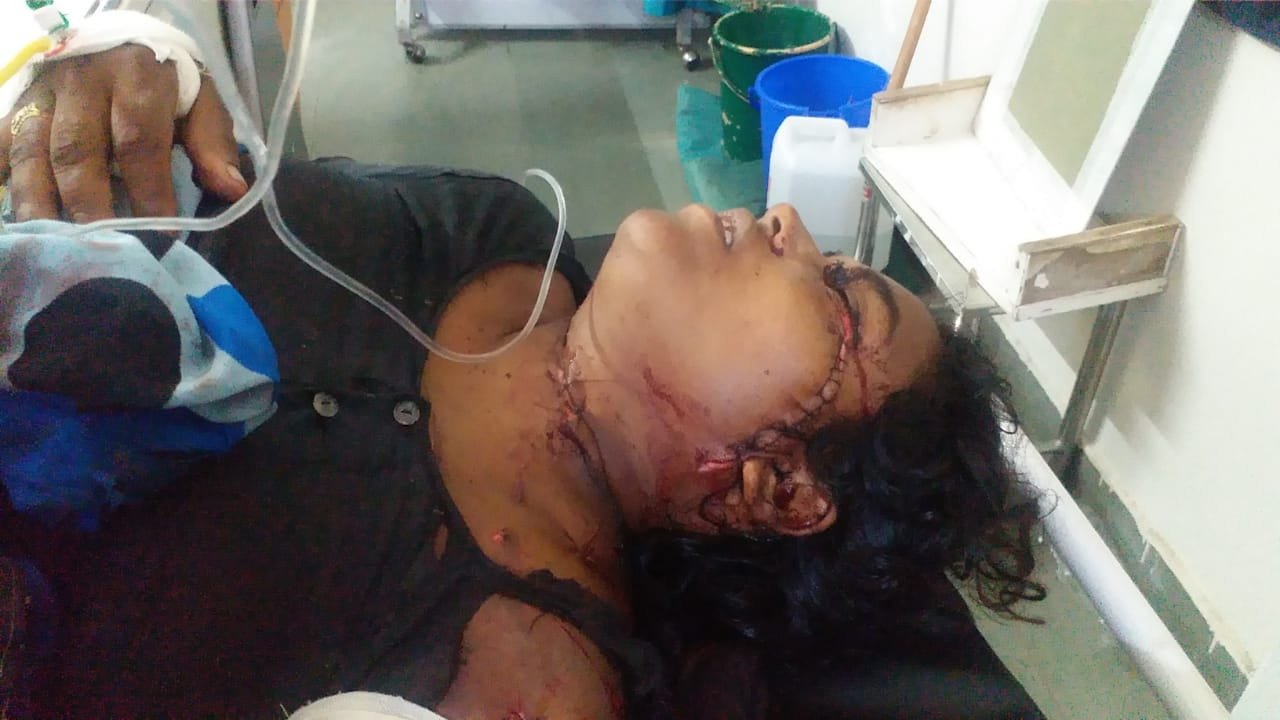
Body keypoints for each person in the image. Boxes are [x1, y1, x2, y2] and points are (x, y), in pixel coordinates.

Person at [0, 18, 1045, 720]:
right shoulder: (496, 226)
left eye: (840, 296)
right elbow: (190, 186)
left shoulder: (532, 680)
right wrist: (119, 59)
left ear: (780, 487)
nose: (788, 223)